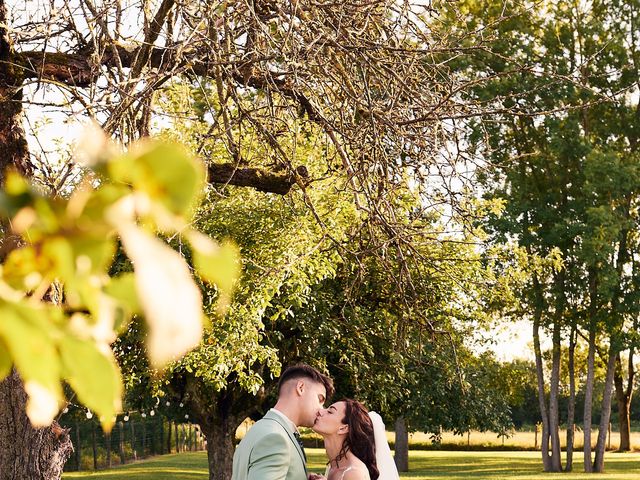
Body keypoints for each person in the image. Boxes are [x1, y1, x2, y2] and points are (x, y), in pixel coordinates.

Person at [231, 364, 334, 480]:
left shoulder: (259, 429)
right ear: (301, 388)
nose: (322, 409)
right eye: (320, 399)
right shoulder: (275, 438)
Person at [311, 399, 399, 480]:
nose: (320, 411)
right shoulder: (334, 465)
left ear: (343, 428)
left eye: (330, 412)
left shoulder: (353, 473)